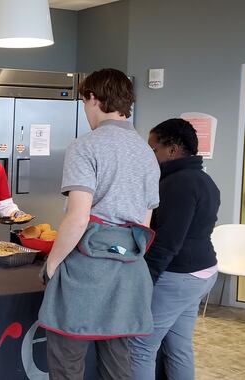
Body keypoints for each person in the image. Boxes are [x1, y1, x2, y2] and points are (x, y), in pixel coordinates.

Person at [37, 68, 160, 380]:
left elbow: (78, 218)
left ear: (92, 98)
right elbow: (144, 223)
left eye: (83, 101)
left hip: (85, 273)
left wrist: (52, 265)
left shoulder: (85, 145)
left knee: (67, 365)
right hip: (128, 274)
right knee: (118, 367)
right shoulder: (146, 153)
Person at [129, 118, 220, 380]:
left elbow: (168, 242)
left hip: (178, 276)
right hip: (202, 273)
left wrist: (144, 281)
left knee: (140, 346)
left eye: (153, 149)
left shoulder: (178, 184)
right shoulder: (204, 180)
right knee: (178, 346)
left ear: (172, 149)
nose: (150, 155)